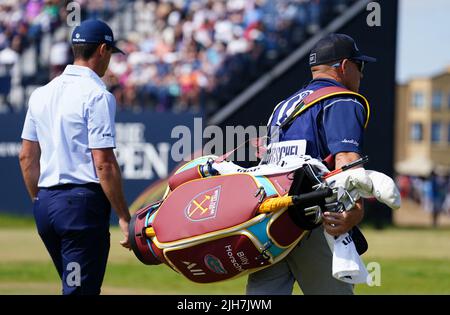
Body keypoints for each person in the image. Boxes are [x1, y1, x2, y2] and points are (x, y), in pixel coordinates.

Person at [246, 33, 376, 295]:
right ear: (343, 66)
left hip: (270, 225)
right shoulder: (342, 98)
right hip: (315, 220)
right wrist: (355, 210)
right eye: (359, 65)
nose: (361, 74)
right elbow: (346, 160)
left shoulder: (282, 106)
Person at [19, 19, 131, 295]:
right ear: (103, 50)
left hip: (46, 207)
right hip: (80, 209)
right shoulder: (97, 95)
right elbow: (103, 163)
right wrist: (124, 217)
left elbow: (27, 158)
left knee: (75, 288)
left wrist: (39, 200)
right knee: (79, 292)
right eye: (111, 54)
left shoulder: (41, 94)